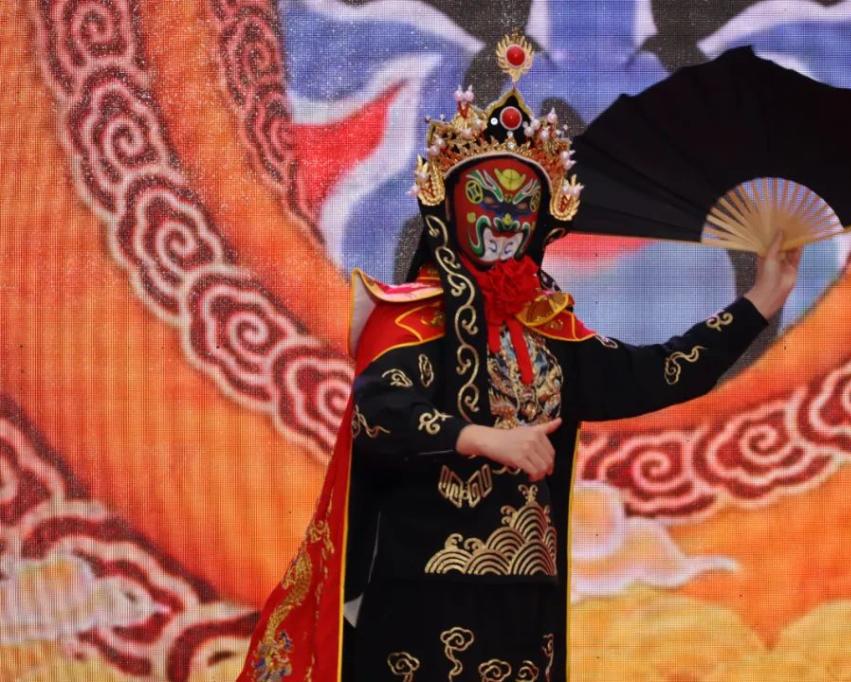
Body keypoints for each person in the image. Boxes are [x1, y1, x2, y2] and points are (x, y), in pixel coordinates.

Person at [236, 33, 801, 682]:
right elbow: (379, 411)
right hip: (422, 600)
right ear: (450, 210)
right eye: (487, 202)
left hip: (524, 605)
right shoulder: (412, 314)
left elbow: (657, 373)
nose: (504, 221)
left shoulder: (550, 328)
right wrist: (482, 437)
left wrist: (760, 301)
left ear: (541, 221)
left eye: (520, 208)